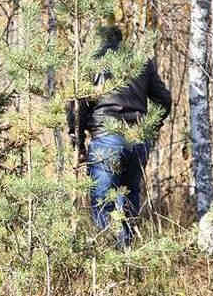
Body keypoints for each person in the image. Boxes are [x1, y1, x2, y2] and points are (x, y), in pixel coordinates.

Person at [69, 26, 171, 248]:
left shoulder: (93, 61)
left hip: (106, 138)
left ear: (100, 40)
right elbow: (164, 99)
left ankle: (110, 256)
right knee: (129, 196)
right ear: (121, 40)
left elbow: (77, 105)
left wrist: (75, 138)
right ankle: (126, 253)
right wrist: (150, 128)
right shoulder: (140, 62)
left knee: (104, 201)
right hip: (137, 140)